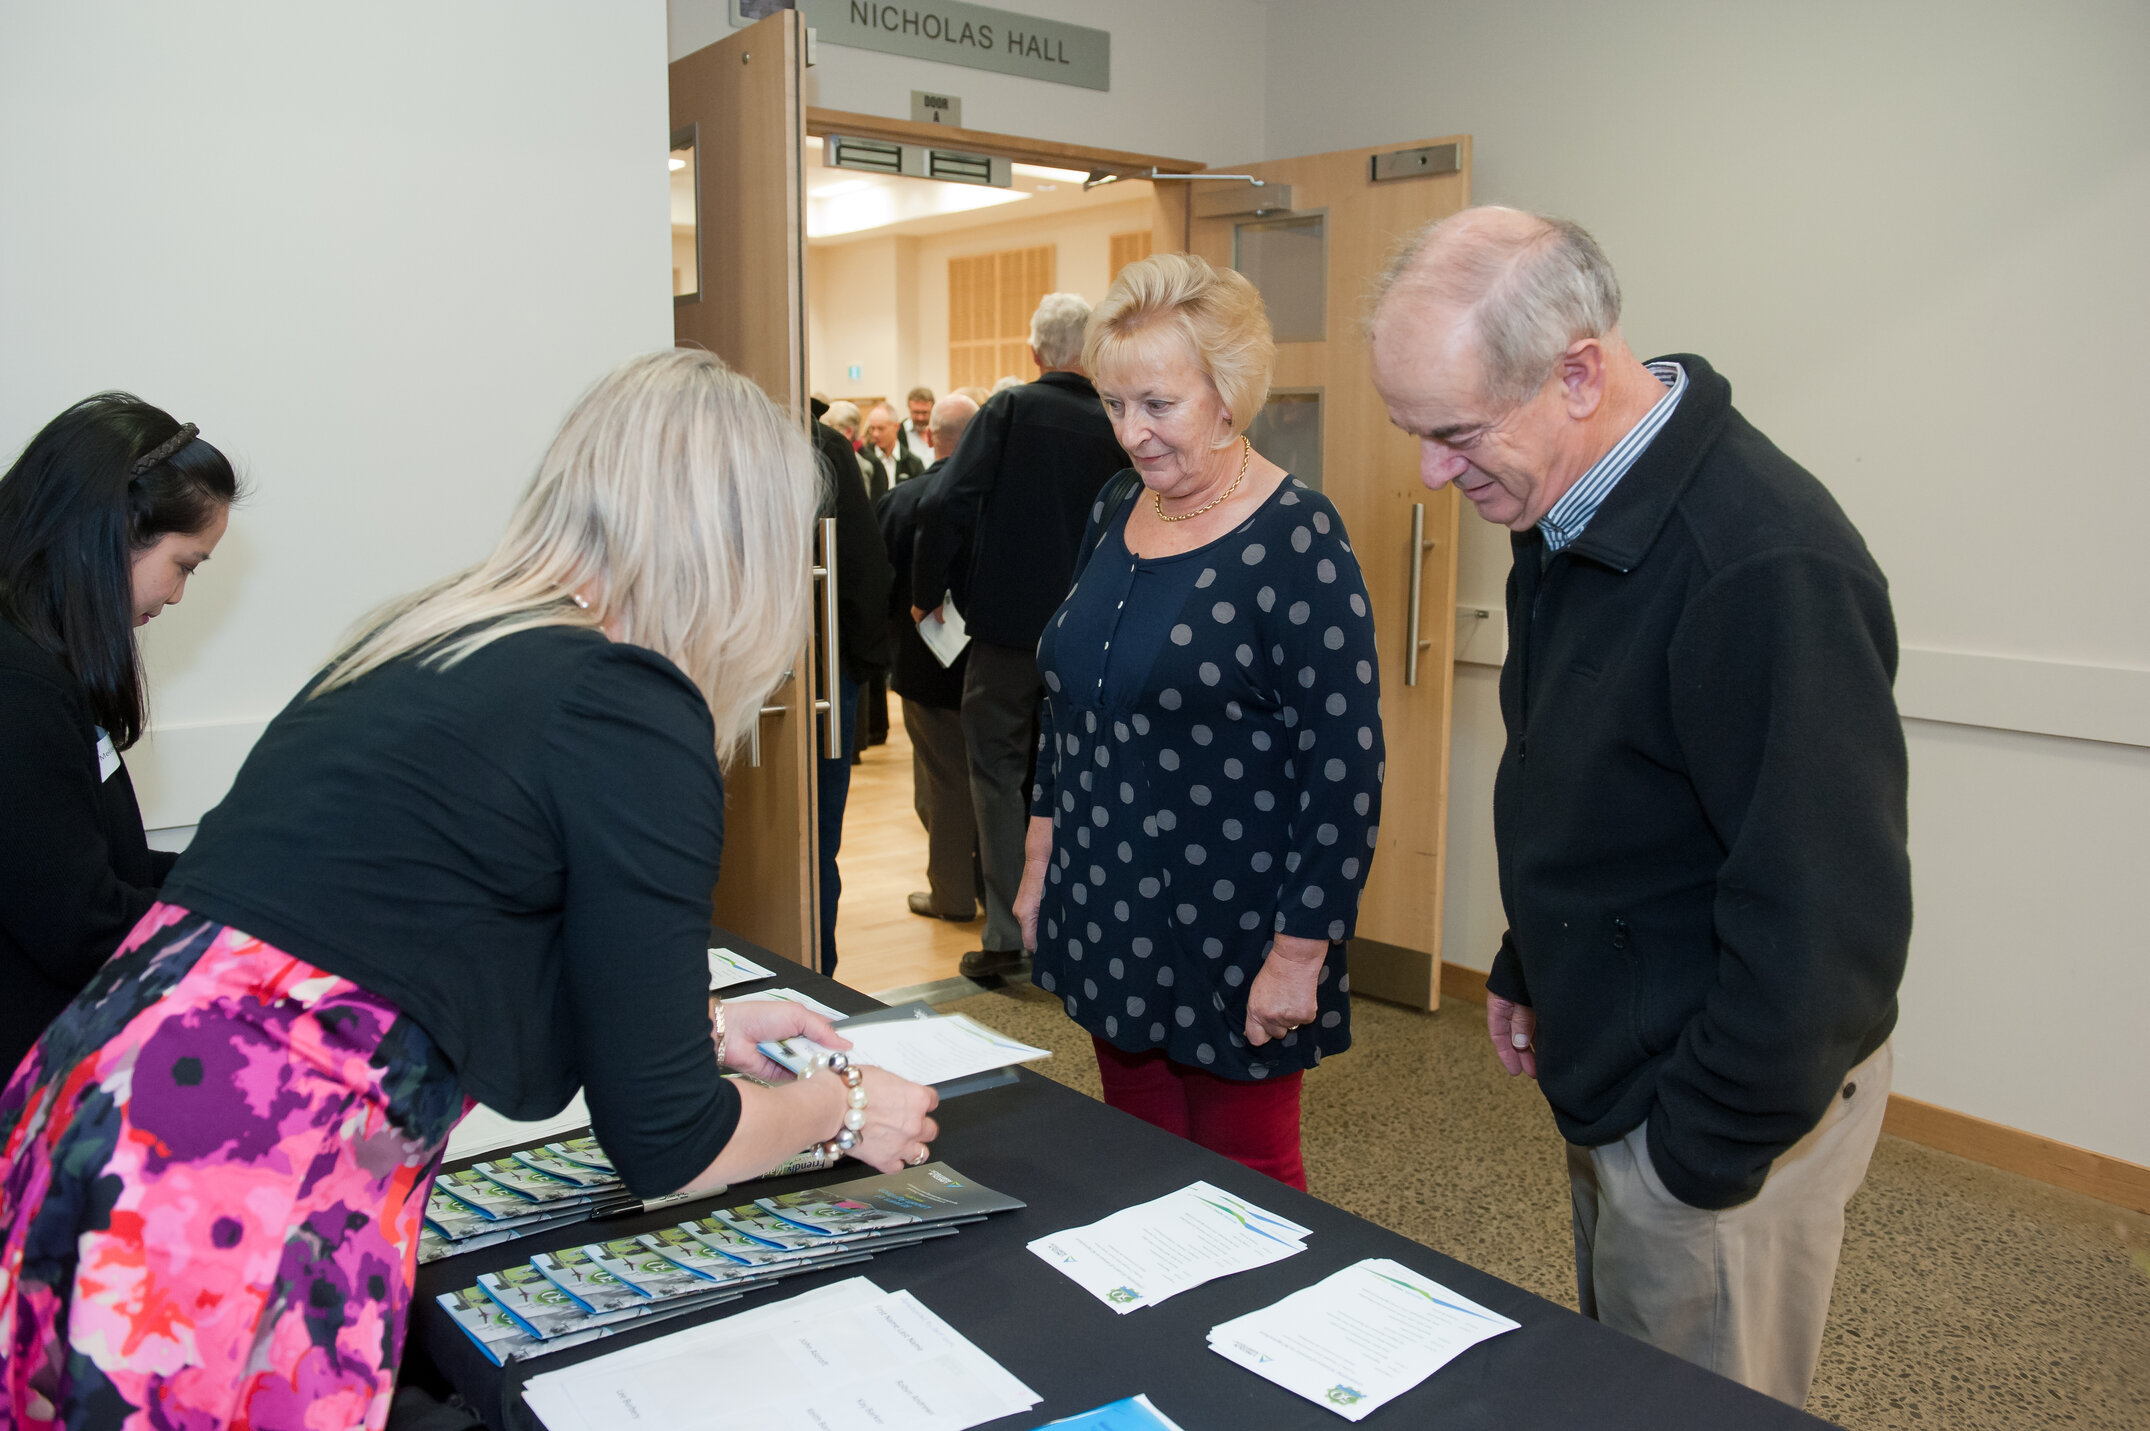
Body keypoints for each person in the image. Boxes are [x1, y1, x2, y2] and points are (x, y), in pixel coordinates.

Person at [0, 351, 940, 1431]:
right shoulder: (628, 705)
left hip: (100, 1116)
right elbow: (671, 1142)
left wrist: (704, 1026)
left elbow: (433, 931)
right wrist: (841, 1106)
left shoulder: (432, 635)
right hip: (227, 1181)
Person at [1367, 206, 1909, 1406]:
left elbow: (1826, 922)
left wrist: (1693, 1156)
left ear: (1575, 375)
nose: (1432, 473)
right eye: (1416, 435)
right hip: (1624, 1064)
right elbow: (1587, 774)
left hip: (1715, 1119)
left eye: (1454, 434)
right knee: (1616, 1386)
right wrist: (1534, 957)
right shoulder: (1566, 500)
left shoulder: (1760, 564)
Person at [1016, 254, 1384, 1190]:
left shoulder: (1298, 537)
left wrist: (1301, 951)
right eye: (1113, 404)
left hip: (1235, 922)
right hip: (1106, 898)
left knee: (1246, 1179)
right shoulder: (1115, 506)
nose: (1130, 432)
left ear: (1227, 395)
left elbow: (1344, 768)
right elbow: (1069, 702)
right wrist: (1039, 857)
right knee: (1132, 1158)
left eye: (1157, 404)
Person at [0, 395, 239, 1077]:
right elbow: (81, 924)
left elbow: (97, 864)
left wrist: (235, 876)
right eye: (186, 564)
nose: (179, 595)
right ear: (116, 531)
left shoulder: (42, 668)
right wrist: (239, 922)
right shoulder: (18, 688)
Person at [912, 294, 1128, 981]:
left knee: (996, 773)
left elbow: (946, 499)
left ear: (1035, 352)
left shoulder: (1009, 410)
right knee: (1082, 778)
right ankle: (1081, 927)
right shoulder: (1119, 419)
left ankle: (1009, 932)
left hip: (1006, 634)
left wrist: (930, 590)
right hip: (1095, 636)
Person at [875, 393, 981, 922]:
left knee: (940, 784)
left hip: (921, 667)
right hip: (990, 666)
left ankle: (952, 894)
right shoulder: (993, 504)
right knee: (990, 782)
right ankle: (986, 886)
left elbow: (880, 586)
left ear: (932, 436)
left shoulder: (899, 501)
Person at [807, 396, 894, 972]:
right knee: (818, 843)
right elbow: (866, 568)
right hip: (823, 672)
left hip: (817, 673)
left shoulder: (820, 445)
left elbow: (859, 566)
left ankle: (816, 971)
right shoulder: (821, 444)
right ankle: (819, 973)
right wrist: (862, 668)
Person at [860, 402, 922, 503]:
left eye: (881, 428)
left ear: (896, 427)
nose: (875, 434)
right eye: (872, 428)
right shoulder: (863, 460)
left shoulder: (912, 463)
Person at [900, 386, 936, 468]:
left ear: (932, 408)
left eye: (924, 412)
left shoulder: (941, 430)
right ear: (909, 409)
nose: (920, 418)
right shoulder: (899, 432)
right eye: (916, 412)